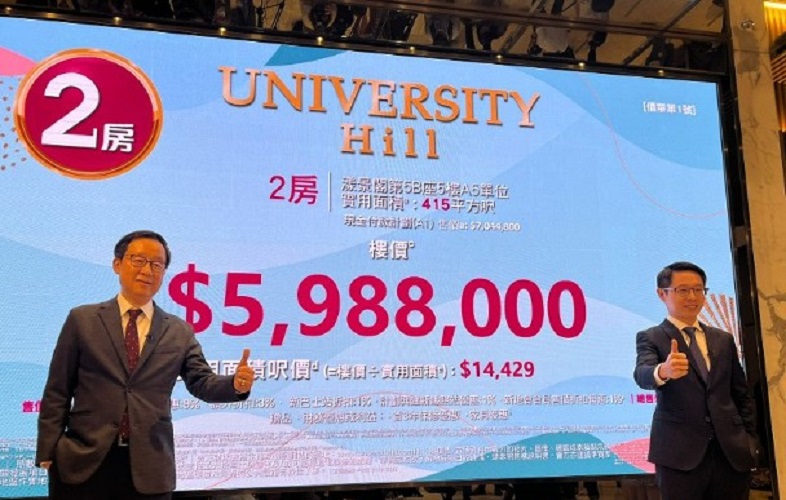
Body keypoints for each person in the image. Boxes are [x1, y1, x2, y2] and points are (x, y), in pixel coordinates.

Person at [36, 230, 256, 500]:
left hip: (149, 465)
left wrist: (235, 385)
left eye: (157, 264)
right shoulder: (82, 320)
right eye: (138, 260)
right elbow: (58, 389)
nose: (147, 270)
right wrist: (47, 451)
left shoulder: (178, 330)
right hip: (83, 461)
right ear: (117, 264)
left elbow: (202, 382)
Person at [633, 261, 758, 500]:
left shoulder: (723, 339)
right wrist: (664, 371)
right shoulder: (651, 337)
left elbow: (741, 394)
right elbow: (642, 373)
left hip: (730, 453)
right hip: (679, 456)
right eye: (682, 290)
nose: (692, 297)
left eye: (698, 289)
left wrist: (750, 442)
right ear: (662, 294)